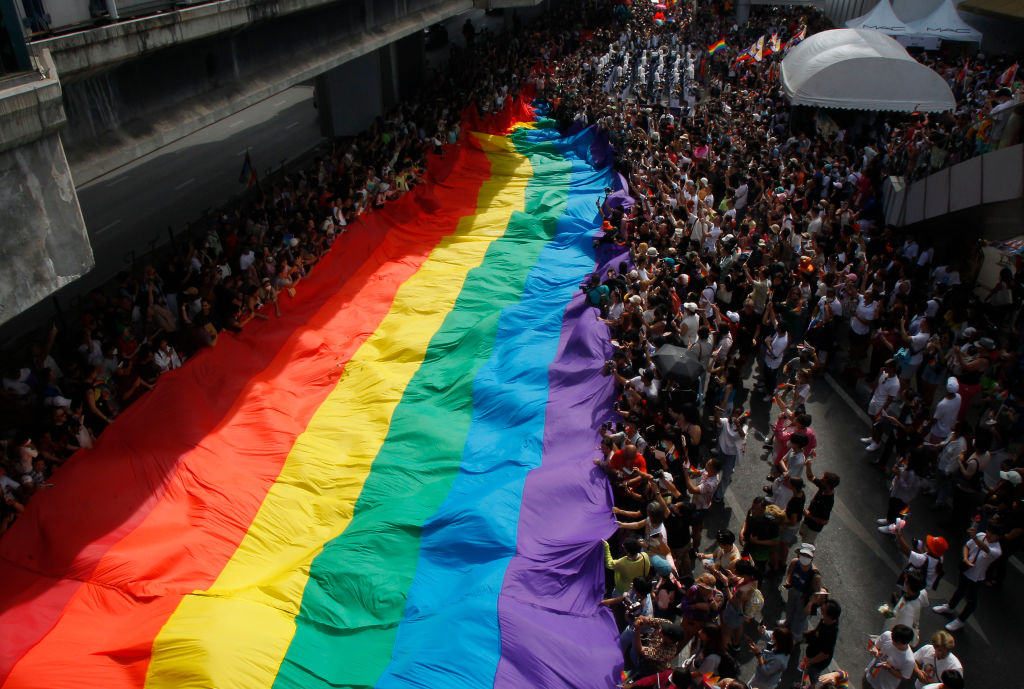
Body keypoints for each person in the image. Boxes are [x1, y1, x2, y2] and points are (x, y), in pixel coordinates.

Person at [932, 524, 1003, 631]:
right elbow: (967, 546)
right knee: (959, 591)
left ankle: (961, 620)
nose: (988, 534)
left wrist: (974, 537)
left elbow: (985, 548)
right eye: (988, 531)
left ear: (998, 537)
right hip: (966, 570)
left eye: (992, 534)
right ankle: (950, 607)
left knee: (971, 600)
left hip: (977, 577)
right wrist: (965, 558)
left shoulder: (997, 550)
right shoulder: (980, 536)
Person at [780, 543, 822, 642]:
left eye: (808, 556)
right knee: (790, 608)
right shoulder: (795, 562)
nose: (805, 558)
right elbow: (789, 572)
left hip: (804, 597)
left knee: (800, 616)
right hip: (793, 590)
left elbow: (816, 593)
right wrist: (788, 583)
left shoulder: (815, 575)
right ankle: (787, 623)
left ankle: (795, 636)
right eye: (803, 555)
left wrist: (809, 604)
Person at [801, 599, 841, 687]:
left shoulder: (831, 634)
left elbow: (824, 654)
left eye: (823, 612)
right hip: (812, 655)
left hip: (817, 663)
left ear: (830, 617)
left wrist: (811, 662)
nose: (821, 612)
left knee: (811, 680)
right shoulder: (825, 621)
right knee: (806, 674)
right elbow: (816, 632)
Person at [864, 625, 916, 689]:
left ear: (900, 643)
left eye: (894, 640)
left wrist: (889, 668)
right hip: (869, 676)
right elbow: (875, 646)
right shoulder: (887, 635)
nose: (891, 640)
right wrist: (875, 650)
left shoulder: (909, 660)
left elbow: (904, 677)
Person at [800, 461, 838, 545]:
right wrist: (808, 466)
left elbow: (824, 521)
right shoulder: (823, 487)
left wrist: (810, 516)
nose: (820, 480)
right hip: (807, 520)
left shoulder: (828, 501)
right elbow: (811, 477)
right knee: (802, 534)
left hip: (813, 527)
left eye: (823, 480)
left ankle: (807, 557)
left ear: (829, 485)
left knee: (807, 544)